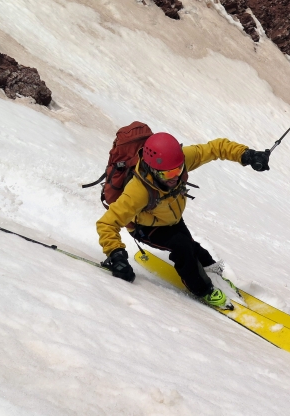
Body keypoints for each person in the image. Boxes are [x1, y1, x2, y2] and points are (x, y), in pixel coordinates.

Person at [97, 132, 270, 308]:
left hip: (172, 219)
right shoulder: (138, 191)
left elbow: (215, 147)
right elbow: (107, 223)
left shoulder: (179, 160)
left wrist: (247, 155)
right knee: (183, 249)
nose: (174, 177)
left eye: (178, 170)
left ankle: (215, 278)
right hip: (146, 227)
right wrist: (115, 254)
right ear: (152, 170)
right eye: (167, 174)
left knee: (197, 251)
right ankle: (203, 290)